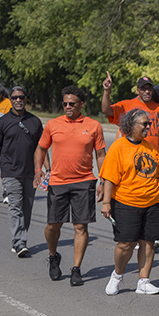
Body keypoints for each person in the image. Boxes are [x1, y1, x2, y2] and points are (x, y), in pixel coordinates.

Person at [34, 86, 106, 286]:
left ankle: (76, 269)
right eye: (65, 103)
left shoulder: (93, 126)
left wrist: (104, 180)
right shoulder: (53, 124)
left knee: (80, 226)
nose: (67, 107)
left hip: (84, 182)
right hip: (57, 182)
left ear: (81, 105)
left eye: (72, 104)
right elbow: (40, 149)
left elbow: (100, 155)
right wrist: (38, 170)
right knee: (52, 226)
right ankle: (53, 255)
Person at [100, 109, 159, 295]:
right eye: (144, 124)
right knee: (126, 243)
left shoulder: (150, 147)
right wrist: (106, 203)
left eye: (149, 123)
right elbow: (109, 178)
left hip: (154, 202)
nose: (149, 127)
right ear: (131, 126)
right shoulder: (118, 147)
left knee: (148, 241)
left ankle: (144, 281)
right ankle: (117, 276)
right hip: (126, 202)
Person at [0, 86, 44, 257]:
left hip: (30, 172)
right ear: (10, 100)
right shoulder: (2, 122)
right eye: (14, 98)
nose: (18, 100)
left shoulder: (34, 121)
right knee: (15, 207)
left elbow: (41, 147)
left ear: (26, 99)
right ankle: (20, 242)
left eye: (21, 97)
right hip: (10, 172)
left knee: (27, 208)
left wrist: (43, 169)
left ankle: (19, 239)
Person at [101, 72, 159, 153]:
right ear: (138, 91)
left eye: (149, 88)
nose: (147, 91)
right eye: (143, 89)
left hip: (154, 160)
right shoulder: (127, 105)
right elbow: (106, 110)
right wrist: (107, 91)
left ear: (152, 90)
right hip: (132, 159)